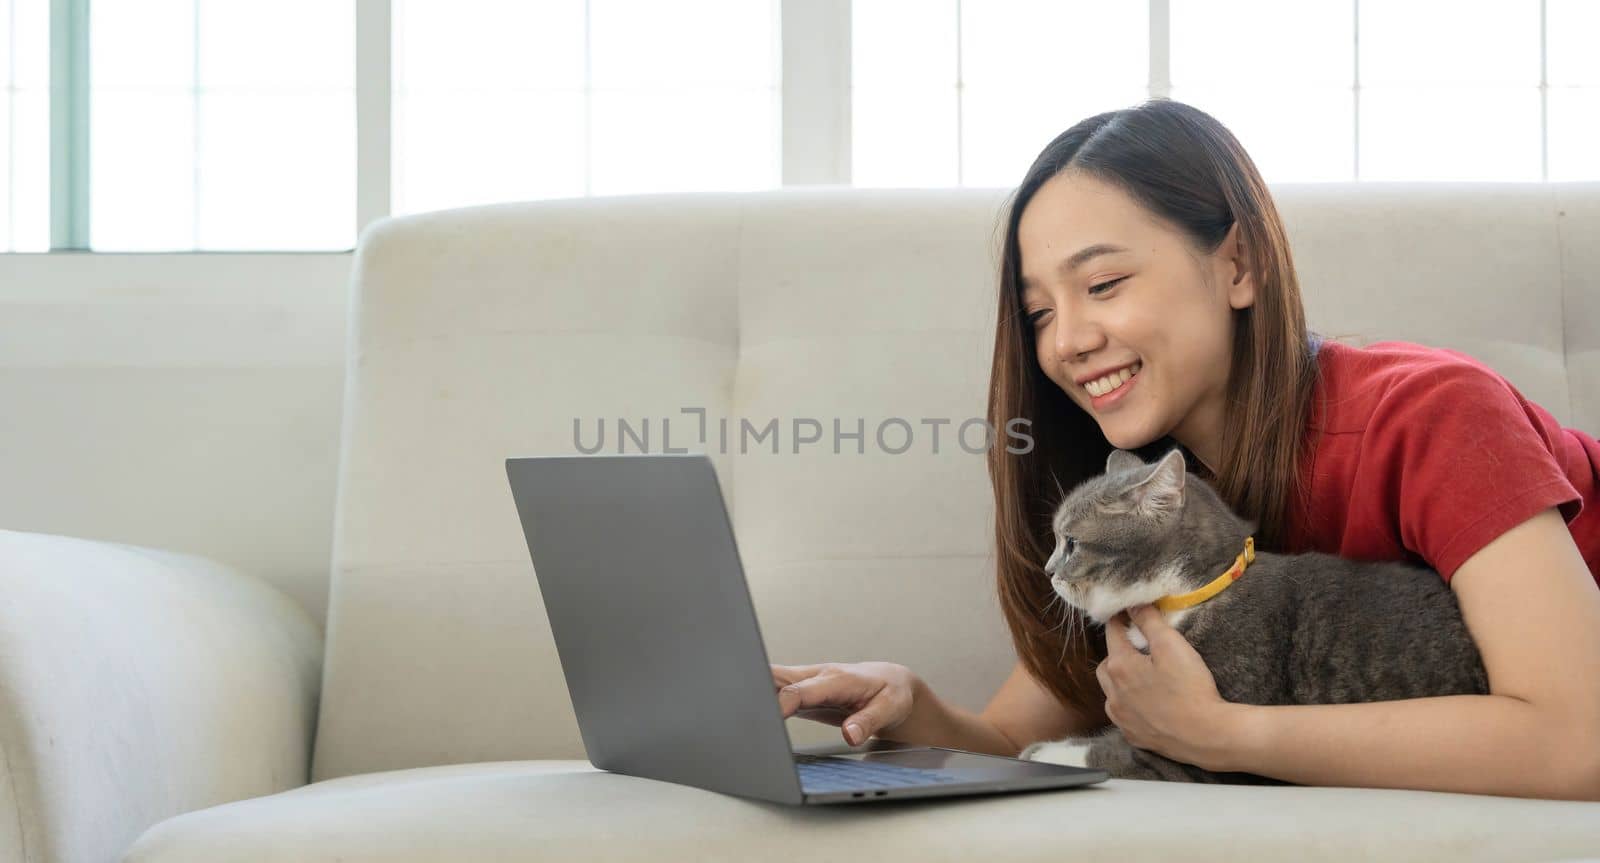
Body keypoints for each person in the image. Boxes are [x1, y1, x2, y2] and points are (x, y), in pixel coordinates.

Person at [772, 98, 1600, 802]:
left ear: (1237, 264)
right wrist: (906, 705)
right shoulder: (1158, 502)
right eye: (1039, 314)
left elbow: (1577, 741)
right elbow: (1008, 738)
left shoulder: (1432, 414)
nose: (1068, 341)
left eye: (1101, 285)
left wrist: (1224, 734)